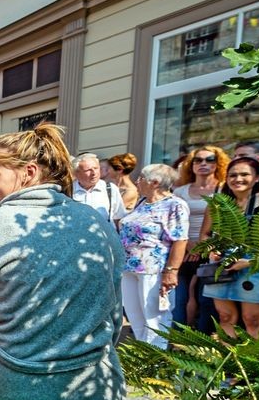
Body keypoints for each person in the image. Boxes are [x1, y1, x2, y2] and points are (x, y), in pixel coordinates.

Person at [0, 124, 129, 400]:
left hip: (12, 384)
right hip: (96, 392)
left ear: (28, 172)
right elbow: (114, 314)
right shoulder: (97, 221)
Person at [199, 157, 259, 341]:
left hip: (255, 266)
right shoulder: (218, 204)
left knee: (252, 319)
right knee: (225, 317)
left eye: (244, 174)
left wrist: (249, 261)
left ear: (257, 178)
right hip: (222, 265)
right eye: (233, 175)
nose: (238, 179)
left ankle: (251, 365)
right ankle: (228, 364)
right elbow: (204, 235)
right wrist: (212, 248)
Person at [117, 164, 189, 349]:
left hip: (154, 270)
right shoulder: (143, 202)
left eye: (140, 178)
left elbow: (180, 240)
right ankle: (143, 358)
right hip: (129, 268)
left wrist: (171, 271)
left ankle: (157, 363)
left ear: (154, 182)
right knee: (136, 317)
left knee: (155, 320)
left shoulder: (175, 205)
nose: (136, 182)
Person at [171, 146, 227, 330]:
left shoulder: (223, 189)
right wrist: (187, 245)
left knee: (206, 300)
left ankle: (202, 345)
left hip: (211, 250)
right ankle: (176, 343)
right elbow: (173, 223)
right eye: (198, 160)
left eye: (209, 159)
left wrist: (203, 247)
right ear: (191, 164)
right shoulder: (180, 191)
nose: (203, 164)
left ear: (217, 164)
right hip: (183, 249)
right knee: (179, 298)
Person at [71, 153, 126, 225]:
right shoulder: (68, 190)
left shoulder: (110, 189)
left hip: (104, 235)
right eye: (88, 170)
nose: (94, 173)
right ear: (77, 173)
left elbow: (118, 218)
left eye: (96, 168)